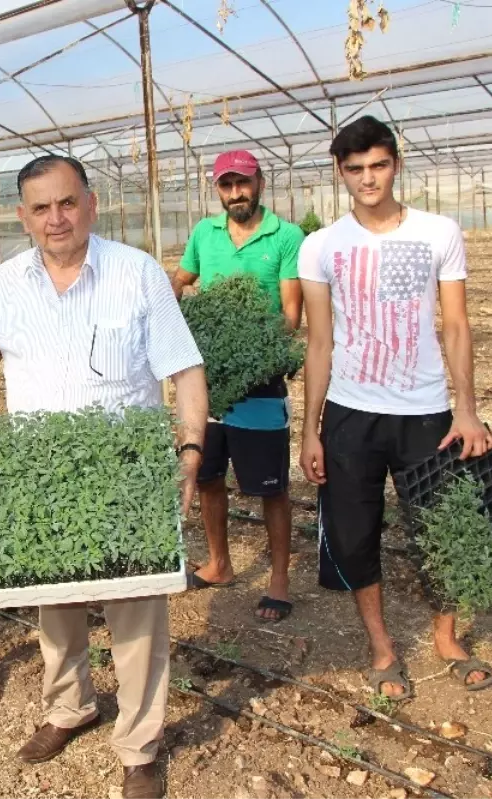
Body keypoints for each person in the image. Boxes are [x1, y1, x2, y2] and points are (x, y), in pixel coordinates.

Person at [0, 155, 208, 799]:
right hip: (41, 477)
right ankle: (70, 707)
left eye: (66, 204)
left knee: (136, 612)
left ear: (90, 204)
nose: (55, 219)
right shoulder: (7, 284)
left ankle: (139, 747)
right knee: (54, 604)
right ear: (22, 217)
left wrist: (191, 448)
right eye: (41, 208)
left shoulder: (136, 273)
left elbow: (185, 370)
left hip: (124, 473)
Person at [298, 115, 492, 698]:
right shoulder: (321, 246)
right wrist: (310, 431)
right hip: (350, 412)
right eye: (356, 168)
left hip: (427, 410)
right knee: (355, 531)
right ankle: (383, 648)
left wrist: (467, 408)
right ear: (340, 172)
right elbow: (318, 342)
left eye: (378, 165)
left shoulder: (439, 232)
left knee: (443, 528)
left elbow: (456, 325)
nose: (368, 178)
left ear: (396, 164)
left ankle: (446, 637)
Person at [173, 150, 303, 623]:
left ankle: (279, 580)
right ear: (217, 190)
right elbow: (180, 281)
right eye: (226, 186)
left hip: (259, 379)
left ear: (260, 183)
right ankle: (220, 564)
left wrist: (245, 346)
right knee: (207, 476)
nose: (235, 194)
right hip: (205, 381)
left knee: (271, 487)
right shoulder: (203, 235)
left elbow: (290, 317)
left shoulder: (287, 237)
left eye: (242, 184)